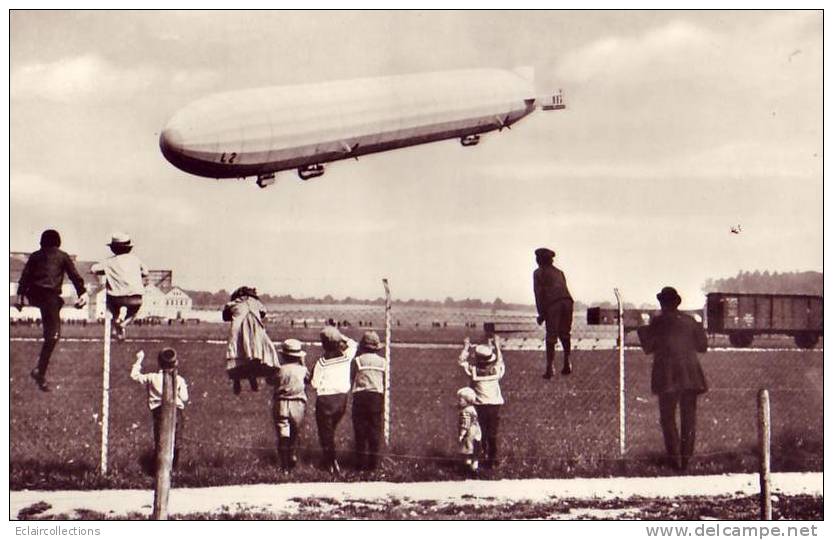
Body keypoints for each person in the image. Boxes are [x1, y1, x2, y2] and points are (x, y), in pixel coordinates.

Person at [637, 286, 708, 471]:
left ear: (662, 303)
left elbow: (648, 347)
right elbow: (702, 346)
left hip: (667, 375)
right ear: (677, 303)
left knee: (668, 418)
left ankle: (674, 460)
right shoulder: (690, 321)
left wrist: (643, 325)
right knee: (689, 418)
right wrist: (699, 326)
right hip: (691, 375)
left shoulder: (658, 322)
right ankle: (686, 460)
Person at [15, 229, 89, 391]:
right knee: (53, 335)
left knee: (51, 331)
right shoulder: (63, 256)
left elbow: (24, 277)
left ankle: (40, 371)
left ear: (42, 242)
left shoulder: (35, 256)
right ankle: (40, 371)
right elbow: (75, 276)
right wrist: (82, 292)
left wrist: (20, 296)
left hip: (34, 294)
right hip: (49, 297)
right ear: (58, 242)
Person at [310, 326, 358, 474]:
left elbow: (314, 384)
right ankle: (330, 460)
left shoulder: (321, 363)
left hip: (325, 401)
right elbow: (354, 344)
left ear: (323, 344)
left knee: (325, 433)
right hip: (341, 400)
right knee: (330, 430)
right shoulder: (346, 357)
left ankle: (331, 463)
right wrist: (340, 335)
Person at [131, 348, 189, 469]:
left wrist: (139, 359)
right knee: (176, 439)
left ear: (159, 362)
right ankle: (173, 467)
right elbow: (184, 398)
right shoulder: (179, 379)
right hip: (176, 411)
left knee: (160, 439)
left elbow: (134, 375)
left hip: (158, 411)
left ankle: (160, 467)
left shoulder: (152, 377)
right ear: (175, 362)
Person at [458, 335, 505, 469]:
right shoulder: (496, 370)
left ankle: (479, 456)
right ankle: (493, 459)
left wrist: (466, 347)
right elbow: (500, 361)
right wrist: (496, 345)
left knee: (479, 433)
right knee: (492, 433)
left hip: (479, 406)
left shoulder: (473, 371)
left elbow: (461, 361)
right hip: (495, 405)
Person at [91, 232, 148, 341]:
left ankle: (116, 324)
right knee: (134, 312)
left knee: (113, 311)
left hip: (116, 298)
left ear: (113, 248)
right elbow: (146, 272)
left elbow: (94, 269)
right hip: (135, 297)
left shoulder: (109, 262)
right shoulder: (135, 260)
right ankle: (123, 324)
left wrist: (107, 272)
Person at [222, 286, 280, 395]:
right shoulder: (256, 303)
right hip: (256, 332)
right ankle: (252, 375)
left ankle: (237, 380)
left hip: (238, 331)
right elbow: (263, 313)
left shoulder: (233, 304)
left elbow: (225, 317)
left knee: (237, 354)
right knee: (256, 353)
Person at [533, 247, 574, 377]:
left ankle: (550, 368)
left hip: (554, 304)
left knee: (551, 336)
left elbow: (539, 294)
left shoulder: (538, 273)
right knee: (565, 334)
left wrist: (541, 314)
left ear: (540, 259)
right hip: (567, 302)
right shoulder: (560, 272)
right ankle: (567, 362)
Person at [350, 331, 387, 471]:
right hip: (376, 397)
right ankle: (374, 465)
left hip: (360, 396)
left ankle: (359, 464)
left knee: (360, 431)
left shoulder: (357, 361)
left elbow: (352, 377)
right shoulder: (383, 362)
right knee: (375, 431)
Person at [272, 338, 309, 471]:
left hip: (281, 403)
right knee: (295, 432)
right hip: (298, 403)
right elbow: (308, 380)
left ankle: (284, 464)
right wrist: (303, 364)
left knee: (283, 433)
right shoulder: (302, 370)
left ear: (283, 355)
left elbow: (271, 380)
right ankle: (292, 455)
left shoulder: (279, 369)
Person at [456, 386, 482, 475]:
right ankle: (475, 467)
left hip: (469, 433)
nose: (458, 402)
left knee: (468, 449)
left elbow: (465, 424)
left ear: (467, 401)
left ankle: (467, 467)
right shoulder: (472, 409)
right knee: (475, 448)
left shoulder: (465, 411)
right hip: (477, 432)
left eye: (460, 400)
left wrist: (461, 434)